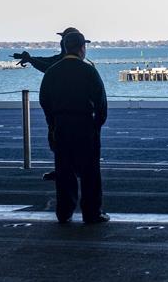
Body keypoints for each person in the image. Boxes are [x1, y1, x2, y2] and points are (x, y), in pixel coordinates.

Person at [39, 31, 109, 223]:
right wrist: (96, 125)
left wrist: (52, 123)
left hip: (61, 125)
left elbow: (44, 99)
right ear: (82, 48)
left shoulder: (53, 71)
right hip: (85, 125)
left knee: (63, 171)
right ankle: (92, 213)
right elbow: (101, 102)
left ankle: (64, 212)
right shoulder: (89, 71)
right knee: (90, 172)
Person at [13, 27, 84, 181]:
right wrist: (31, 59)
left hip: (62, 111)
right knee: (61, 141)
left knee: (61, 141)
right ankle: (69, 169)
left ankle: (68, 170)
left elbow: (49, 65)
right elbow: (49, 61)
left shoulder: (66, 65)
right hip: (65, 111)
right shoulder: (72, 63)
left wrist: (31, 59)